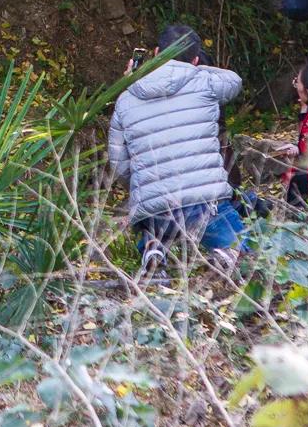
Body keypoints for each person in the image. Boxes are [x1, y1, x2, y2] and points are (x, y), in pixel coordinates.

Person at [105, 23, 247, 272]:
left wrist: (142, 183)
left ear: (157, 51)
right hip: (204, 204)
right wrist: (192, 68)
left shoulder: (126, 98)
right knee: (247, 251)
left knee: (153, 226)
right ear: (195, 59)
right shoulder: (204, 82)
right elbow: (233, 80)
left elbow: (119, 164)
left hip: (154, 213)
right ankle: (227, 253)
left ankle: (153, 245)